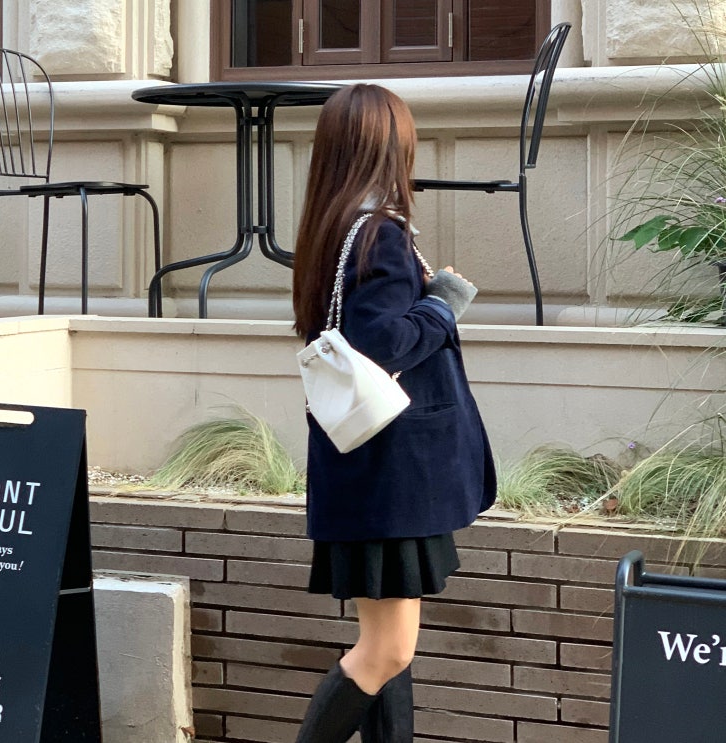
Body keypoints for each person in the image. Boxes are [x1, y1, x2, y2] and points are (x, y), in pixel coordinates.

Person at [292, 83, 496, 743]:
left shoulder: (332, 227)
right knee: (386, 650)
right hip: (392, 478)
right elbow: (384, 343)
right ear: (390, 148)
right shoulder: (378, 234)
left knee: (386, 648)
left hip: (368, 472)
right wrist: (440, 304)